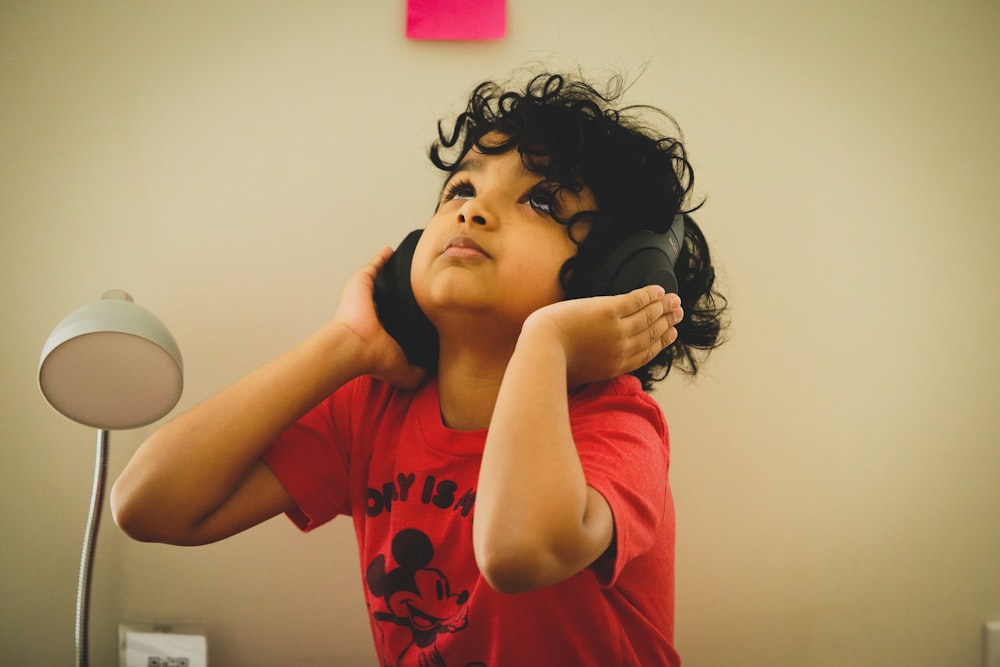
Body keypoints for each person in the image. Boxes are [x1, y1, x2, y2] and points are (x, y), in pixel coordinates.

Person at [111, 69, 727, 667]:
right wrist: (345, 344)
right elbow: (148, 505)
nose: (473, 211)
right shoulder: (373, 409)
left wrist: (546, 344)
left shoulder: (615, 425)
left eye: (540, 199)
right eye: (461, 188)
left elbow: (517, 552)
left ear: (613, 278)